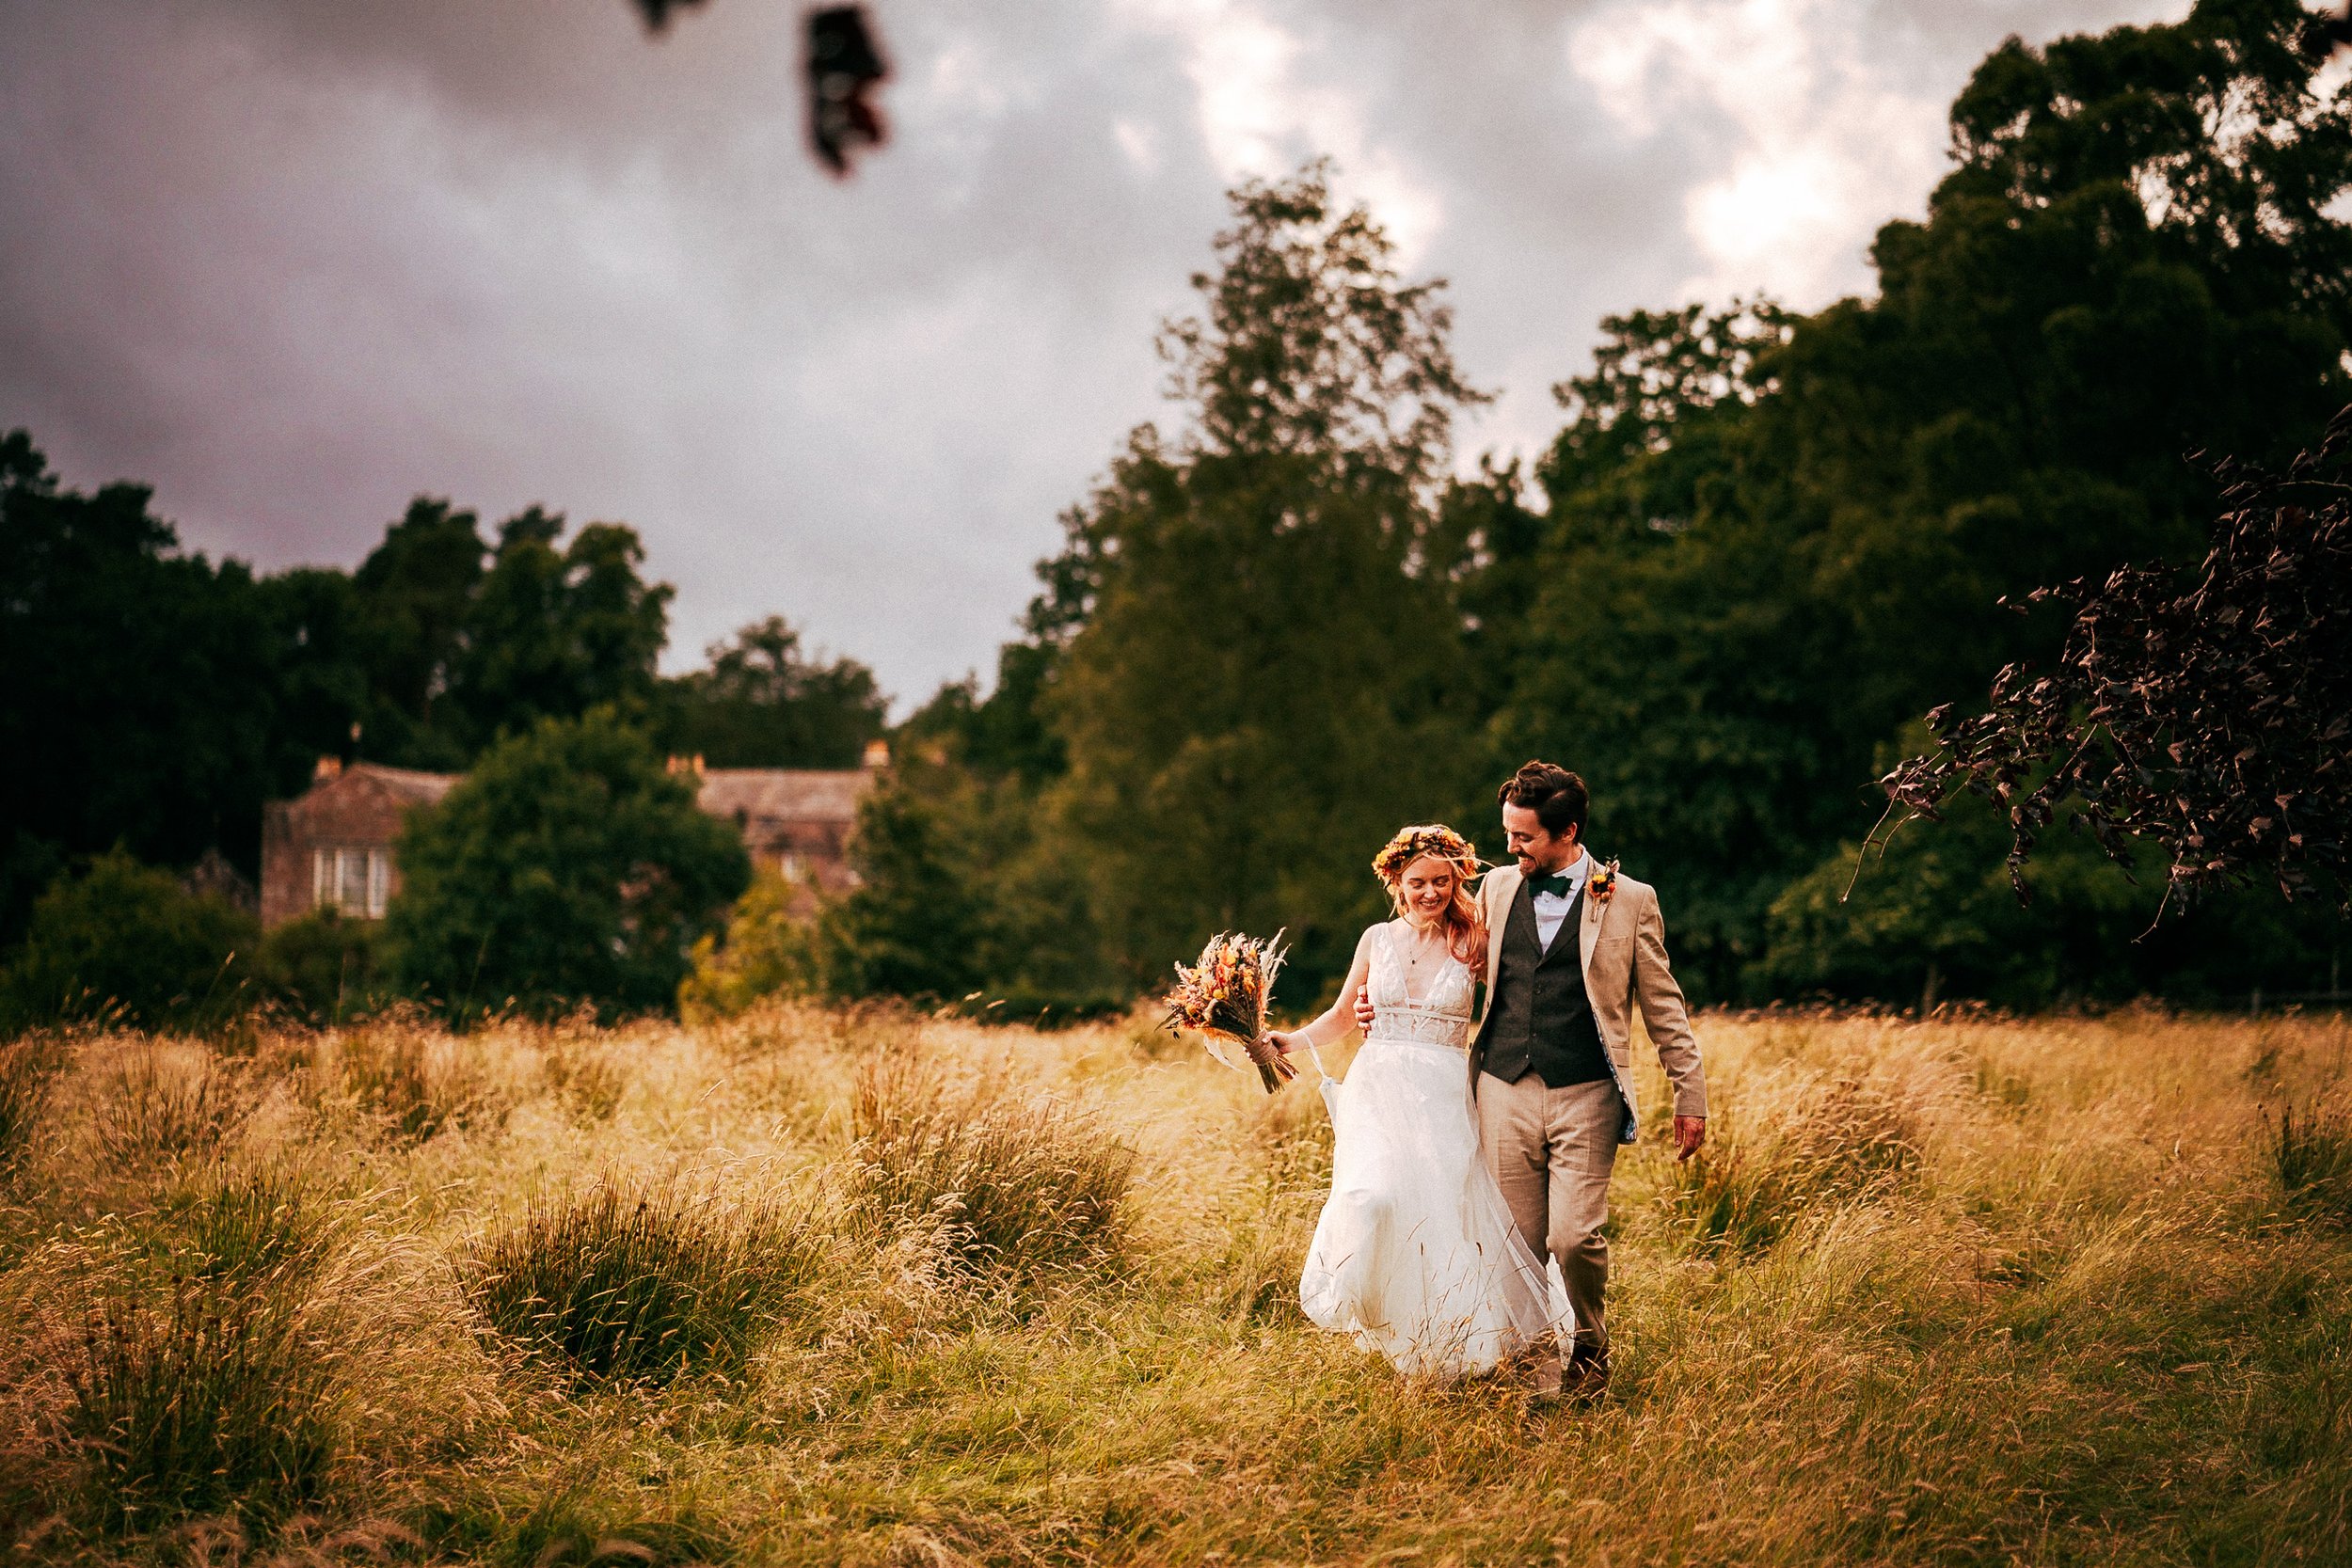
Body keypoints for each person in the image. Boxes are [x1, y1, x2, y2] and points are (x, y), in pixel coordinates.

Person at [1363, 761, 1707, 1401]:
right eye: (1508, 832)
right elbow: (1435, 944)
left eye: (1523, 837)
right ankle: (1532, 1366)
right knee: (1514, 1243)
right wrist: (1377, 1007)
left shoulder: (1630, 900)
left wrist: (1691, 1094)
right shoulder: (1494, 888)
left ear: (1566, 831)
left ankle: (1591, 1346)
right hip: (1501, 1086)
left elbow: (1664, 1007)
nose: (1509, 847)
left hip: (1587, 1091)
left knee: (1572, 1237)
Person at [1264, 824, 1560, 1381]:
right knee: (1371, 1199)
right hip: (1377, 1090)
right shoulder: (1377, 939)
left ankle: (1450, 1348)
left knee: (1443, 1215)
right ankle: (1381, 1316)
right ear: (1396, 883)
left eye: (1442, 882)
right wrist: (1291, 1040)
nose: (1431, 893)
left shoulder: (1475, 939)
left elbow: (1513, 996)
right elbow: (1344, 1014)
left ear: (1457, 881)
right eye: (1418, 882)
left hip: (1445, 1094)